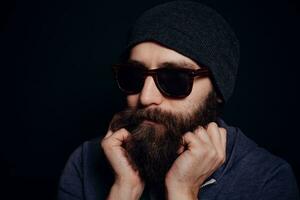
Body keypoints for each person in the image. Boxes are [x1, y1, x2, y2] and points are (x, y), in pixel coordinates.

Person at [58, 1, 299, 199]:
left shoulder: (267, 180)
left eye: (174, 79)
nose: (145, 97)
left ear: (217, 91)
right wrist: (124, 190)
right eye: (133, 76)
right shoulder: (85, 163)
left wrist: (183, 191)